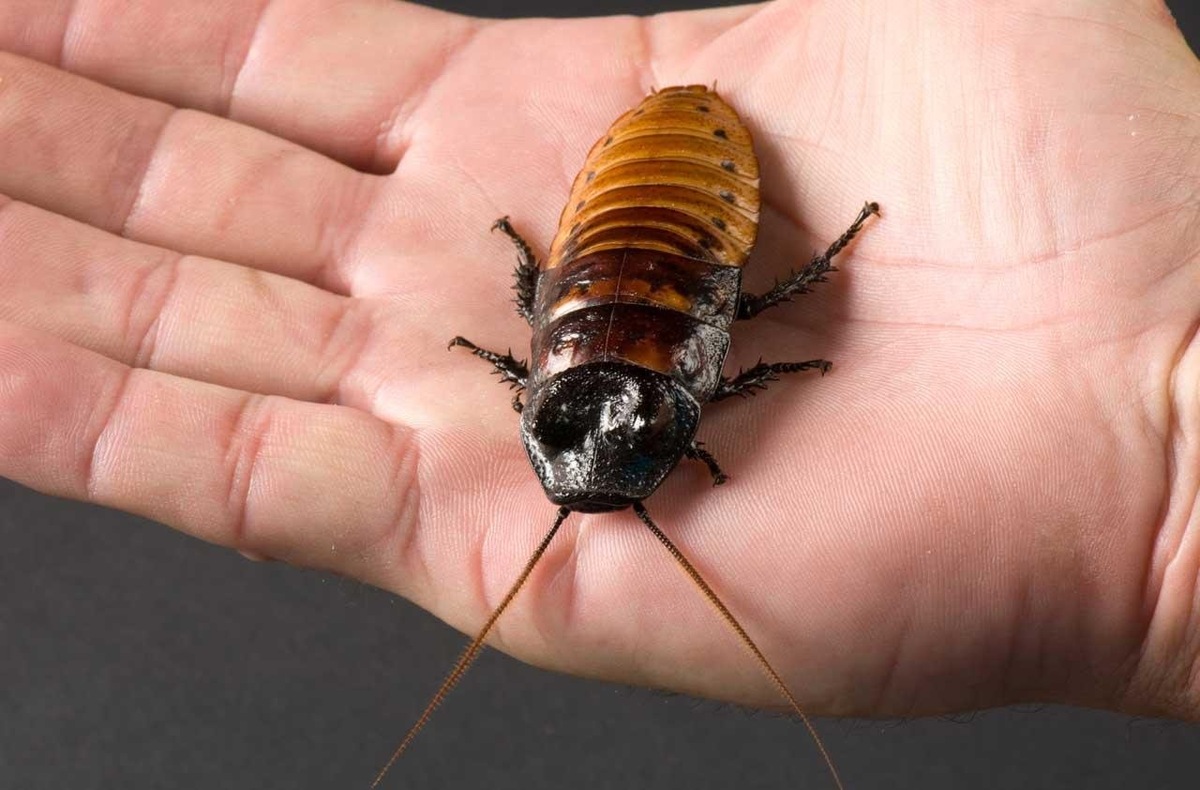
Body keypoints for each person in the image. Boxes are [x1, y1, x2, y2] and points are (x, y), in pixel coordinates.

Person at [0, 0, 1197, 727]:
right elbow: (761, 323)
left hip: (643, 212)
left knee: (772, 306)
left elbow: (757, 325)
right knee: (774, 306)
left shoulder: (653, 374)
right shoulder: (623, 372)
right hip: (623, 246)